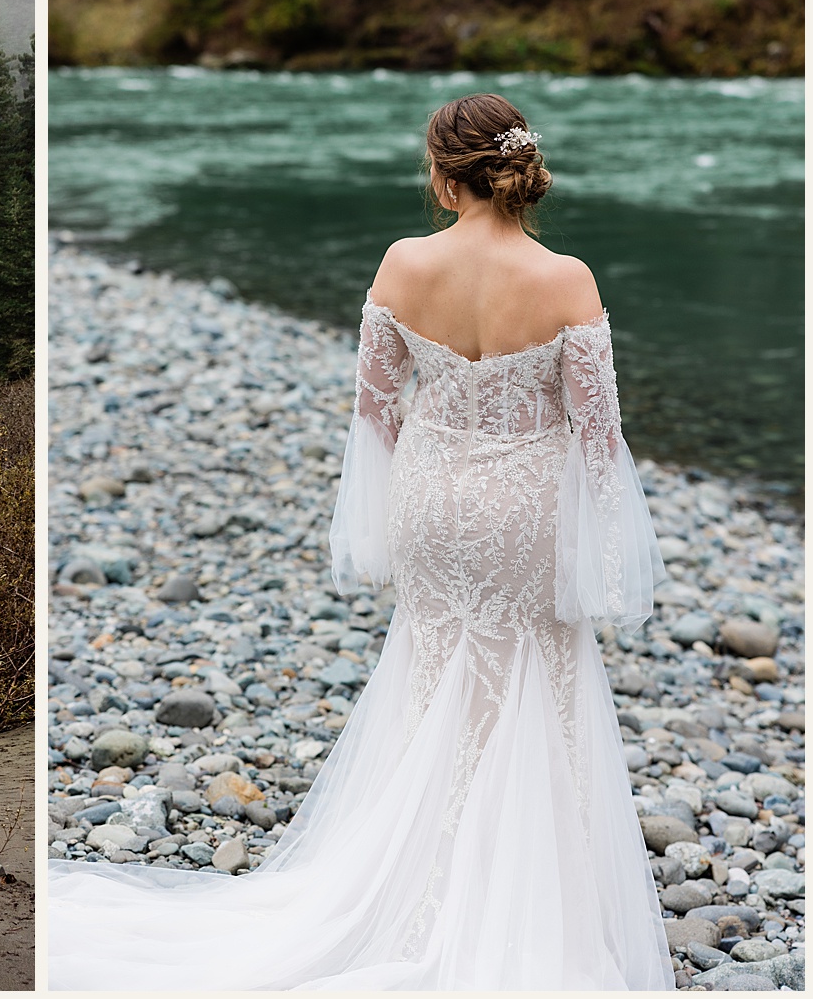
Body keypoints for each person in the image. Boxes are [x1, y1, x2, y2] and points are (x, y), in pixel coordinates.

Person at [44, 93, 671, 989]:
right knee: (536, 677)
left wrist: (406, 484)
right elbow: (599, 436)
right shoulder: (568, 279)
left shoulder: (403, 264)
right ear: (517, 171)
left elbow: (373, 410)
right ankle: (522, 899)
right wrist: (606, 550)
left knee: (429, 672)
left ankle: (416, 884)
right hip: (525, 503)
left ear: (447, 177)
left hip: (431, 500)